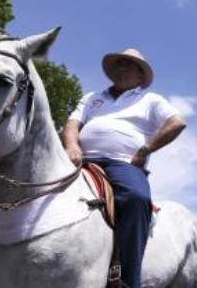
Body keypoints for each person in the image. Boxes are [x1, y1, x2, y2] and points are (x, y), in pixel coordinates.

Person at [63, 48, 187, 288]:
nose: (121, 67)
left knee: (136, 197)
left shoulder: (151, 100)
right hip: (81, 159)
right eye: (118, 64)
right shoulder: (92, 98)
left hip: (122, 163)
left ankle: (129, 280)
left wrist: (145, 150)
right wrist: (71, 145)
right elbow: (72, 122)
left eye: (128, 65)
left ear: (141, 76)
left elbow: (176, 122)